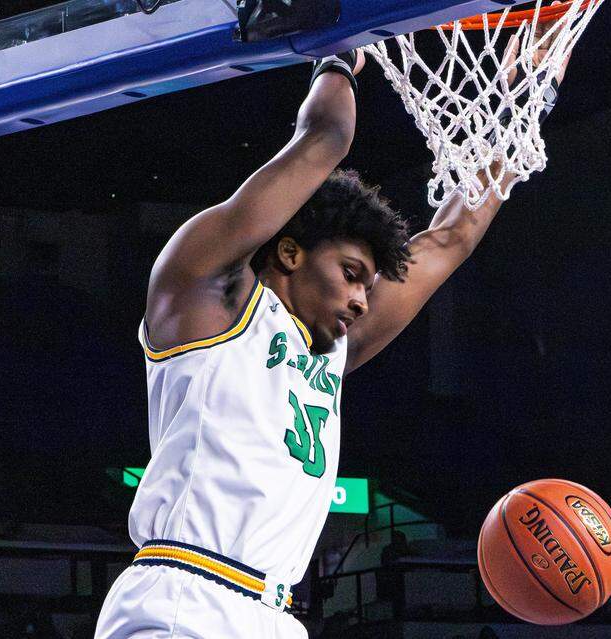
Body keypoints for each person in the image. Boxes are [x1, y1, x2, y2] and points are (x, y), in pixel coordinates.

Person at [94, 31, 568, 638]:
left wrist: (524, 98)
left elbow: (450, 237)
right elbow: (325, 139)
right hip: (183, 597)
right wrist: (340, 48)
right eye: (350, 274)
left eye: (368, 284)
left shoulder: (330, 350)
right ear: (289, 252)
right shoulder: (205, 298)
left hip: (275, 613)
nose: (361, 299)